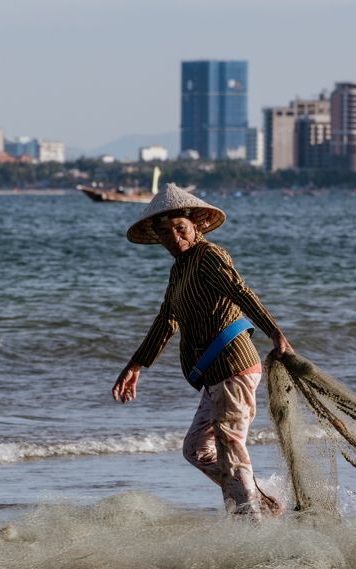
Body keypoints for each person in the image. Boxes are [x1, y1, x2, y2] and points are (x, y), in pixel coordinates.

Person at [111, 184, 295, 519]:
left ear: (196, 225)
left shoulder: (210, 256)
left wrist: (275, 333)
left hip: (233, 366)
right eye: (165, 233)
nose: (173, 238)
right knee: (196, 449)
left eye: (180, 229)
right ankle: (264, 505)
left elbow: (240, 292)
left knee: (229, 446)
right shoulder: (179, 268)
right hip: (213, 374)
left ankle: (249, 525)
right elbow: (166, 320)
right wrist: (135, 365)